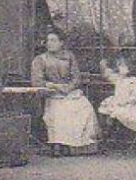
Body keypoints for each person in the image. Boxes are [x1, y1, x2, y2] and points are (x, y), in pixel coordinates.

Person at [32, 27, 99, 155]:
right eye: (48, 40)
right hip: (52, 94)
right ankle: (60, 145)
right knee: (60, 112)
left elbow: (76, 77)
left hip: (69, 92)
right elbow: (37, 81)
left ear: (61, 42)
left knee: (85, 107)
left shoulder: (69, 56)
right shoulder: (40, 60)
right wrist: (52, 86)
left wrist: (68, 88)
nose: (50, 43)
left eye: (54, 40)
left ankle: (79, 147)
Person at [97, 54, 136, 135]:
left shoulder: (134, 81)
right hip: (119, 103)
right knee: (104, 107)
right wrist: (104, 65)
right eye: (119, 65)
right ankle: (106, 130)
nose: (121, 68)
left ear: (130, 67)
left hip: (130, 106)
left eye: (124, 65)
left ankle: (111, 128)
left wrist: (125, 101)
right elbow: (107, 75)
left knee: (117, 112)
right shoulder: (119, 80)